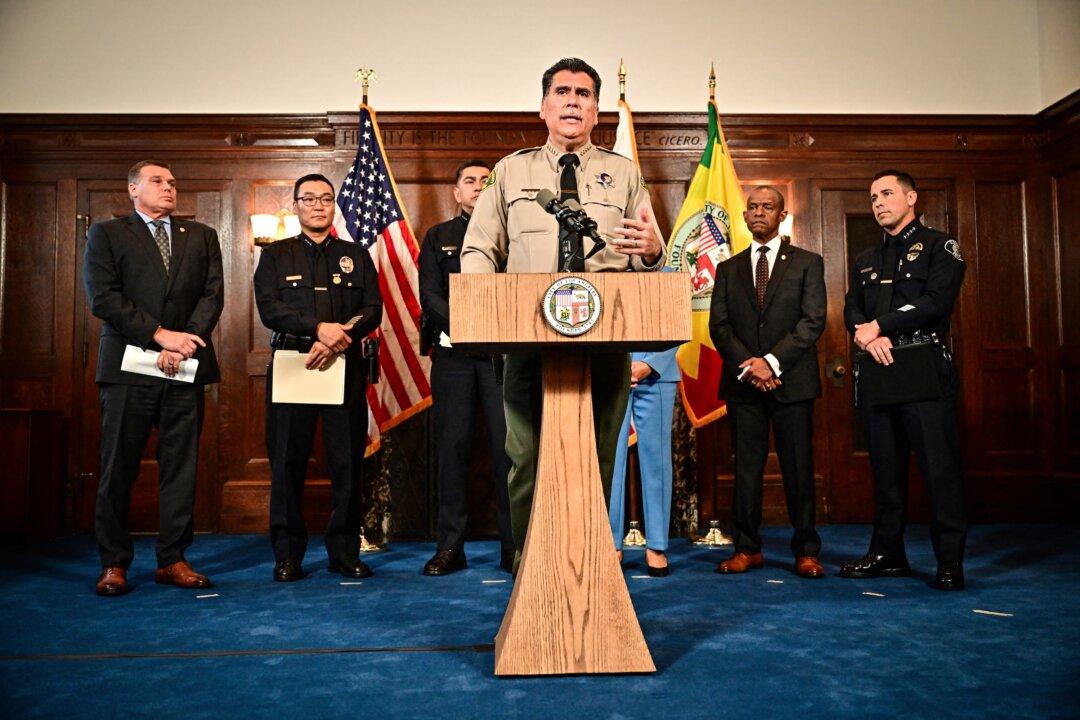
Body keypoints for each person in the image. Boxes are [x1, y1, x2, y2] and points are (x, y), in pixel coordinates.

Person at [460, 57, 665, 572]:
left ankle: (590, 564)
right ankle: (533, 565)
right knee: (526, 458)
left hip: (606, 340)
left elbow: (648, 250)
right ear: (544, 106)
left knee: (597, 459)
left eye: (583, 93)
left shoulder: (625, 174)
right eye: (562, 91)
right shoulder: (510, 171)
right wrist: (490, 309)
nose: (572, 100)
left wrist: (654, 253)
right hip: (527, 342)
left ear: (597, 110)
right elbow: (479, 250)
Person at [83, 159, 224, 596]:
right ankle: (113, 563)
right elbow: (104, 297)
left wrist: (184, 341)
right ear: (132, 189)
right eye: (158, 181)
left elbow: (212, 295)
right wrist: (159, 336)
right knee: (118, 468)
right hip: (128, 367)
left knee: (180, 468)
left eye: (173, 183)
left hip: (186, 364)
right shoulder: (106, 234)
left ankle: (173, 559)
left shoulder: (201, 235)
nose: (169, 188)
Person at [841, 170, 967, 591]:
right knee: (886, 470)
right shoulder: (866, 259)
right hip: (878, 368)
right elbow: (851, 310)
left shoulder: (939, 246)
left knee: (939, 469)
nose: (878, 202)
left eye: (887, 193)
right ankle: (887, 553)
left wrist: (880, 325)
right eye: (873, 196)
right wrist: (865, 331)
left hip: (921, 363)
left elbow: (936, 302)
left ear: (912, 197)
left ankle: (949, 561)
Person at [253, 173, 382, 582]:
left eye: (326, 199)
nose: (318, 205)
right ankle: (288, 555)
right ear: (296, 206)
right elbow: (270, 309)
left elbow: (372, 308)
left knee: (346, 464)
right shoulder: (276, 255)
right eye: (308, 199)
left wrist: (336, 337)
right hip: (294, 364)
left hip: (344, 364)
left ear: (333, 206)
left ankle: (344, 552)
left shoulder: (355, 253)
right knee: (288, 463)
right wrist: (318, 329)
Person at [709, 186, 827, 578]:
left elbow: (812, 321)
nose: (760, 212)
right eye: (753, 207)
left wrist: (772, 363)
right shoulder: (727, 269)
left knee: (798, 468)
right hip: (745, 384)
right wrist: (751, 365)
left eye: (768, 207)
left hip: (791, 383)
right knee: (746, 469)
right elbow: (719, 327)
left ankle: (806, 550)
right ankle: (747, 548)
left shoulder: (808, 263)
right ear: (745, 217)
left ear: (782, 215)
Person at [418, 159, 514, 575]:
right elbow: (430, 297)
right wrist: (469, 325)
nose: (478, 186)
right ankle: (450, 548)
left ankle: (515, 547)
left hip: (502, 360)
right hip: (454, 356)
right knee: (452, 452)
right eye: (470, 181)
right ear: (456, 192)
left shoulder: (514, 235)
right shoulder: (439, 237)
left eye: (485, 181)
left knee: (509, 453)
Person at [608, 341, 680, 577]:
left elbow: (676, 320)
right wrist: (615, 367)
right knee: (610, 464)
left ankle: (657, 546)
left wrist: (651, 364)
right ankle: (610, 545)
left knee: (657, 462)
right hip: (610, 369)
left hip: (657, 373)